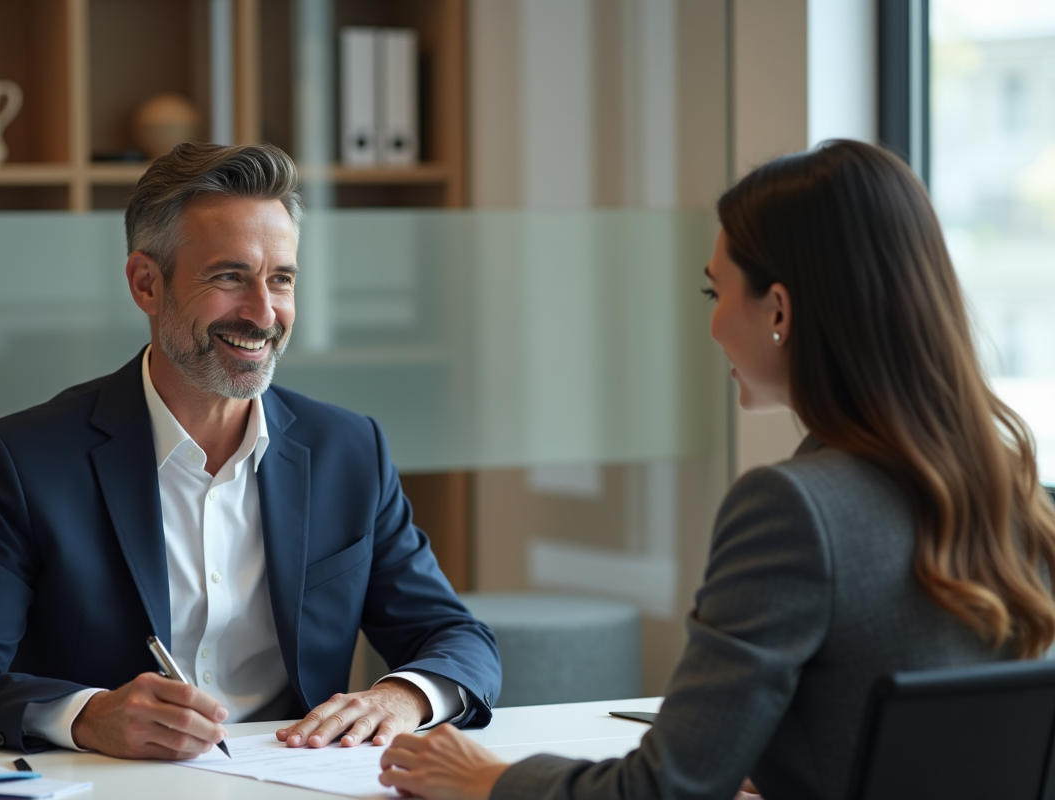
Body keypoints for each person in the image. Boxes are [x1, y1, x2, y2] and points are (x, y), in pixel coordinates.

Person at [377, 139, 1055, 800]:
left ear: (779, 310)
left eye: (714, 292)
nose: (711, 325)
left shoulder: (795, 508)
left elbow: (665, 787)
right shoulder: (1011, 489)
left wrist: (486, 779)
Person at [0, 142, 501, 759]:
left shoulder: (349, 451)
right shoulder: (25, 460)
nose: (263, 313)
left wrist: (403, 696)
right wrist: (85, 716)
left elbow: (457, 638)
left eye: (281, 279)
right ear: (146, 284)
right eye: (229, 277)